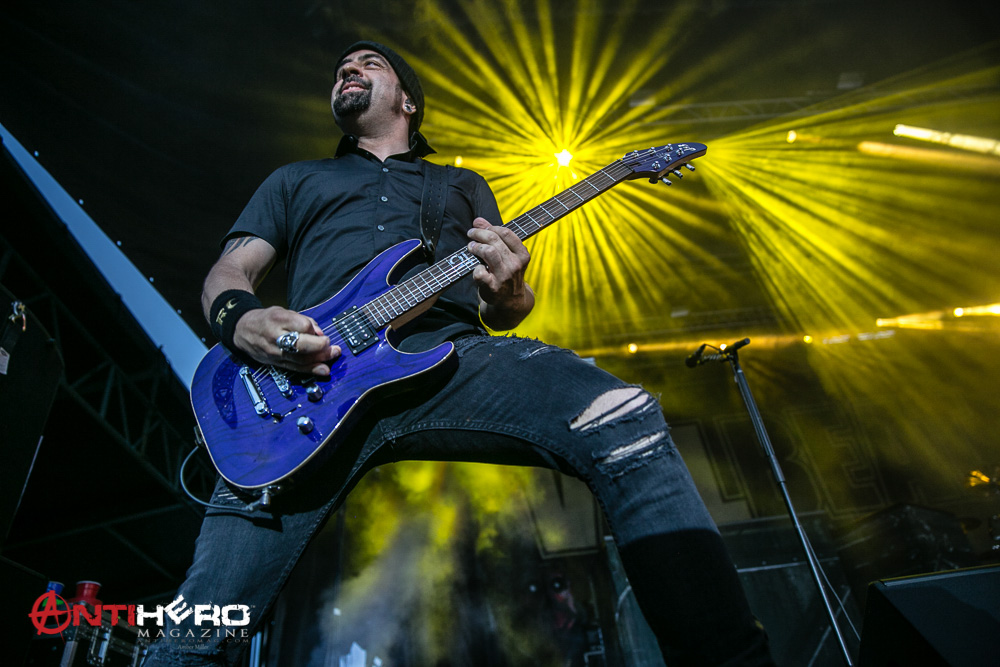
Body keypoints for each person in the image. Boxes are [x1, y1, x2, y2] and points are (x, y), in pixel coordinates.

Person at [143, 41, 774, 666]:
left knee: (621, 414)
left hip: (445, 361)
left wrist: (510, 289)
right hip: (304, 389)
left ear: (408, 101)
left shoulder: (461, 185)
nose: (349, 70)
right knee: (193, 633)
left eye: (369, 64)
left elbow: (504, 308)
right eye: (342, 69)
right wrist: (243, 321)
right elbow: (229, 272)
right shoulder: (295, 179)